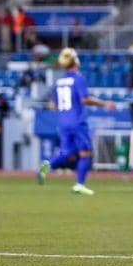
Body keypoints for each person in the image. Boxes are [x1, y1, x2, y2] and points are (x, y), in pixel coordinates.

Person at [37, 48, 117, 195]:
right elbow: (85, 99)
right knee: (85, 152)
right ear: (75, 61)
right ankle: (80, 184)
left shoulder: (58, 82)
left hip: (63, 120)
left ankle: (48, 164)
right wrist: (104, 104)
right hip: (77, 120)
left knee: (66, 152)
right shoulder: (78, 78)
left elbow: (53, 106)